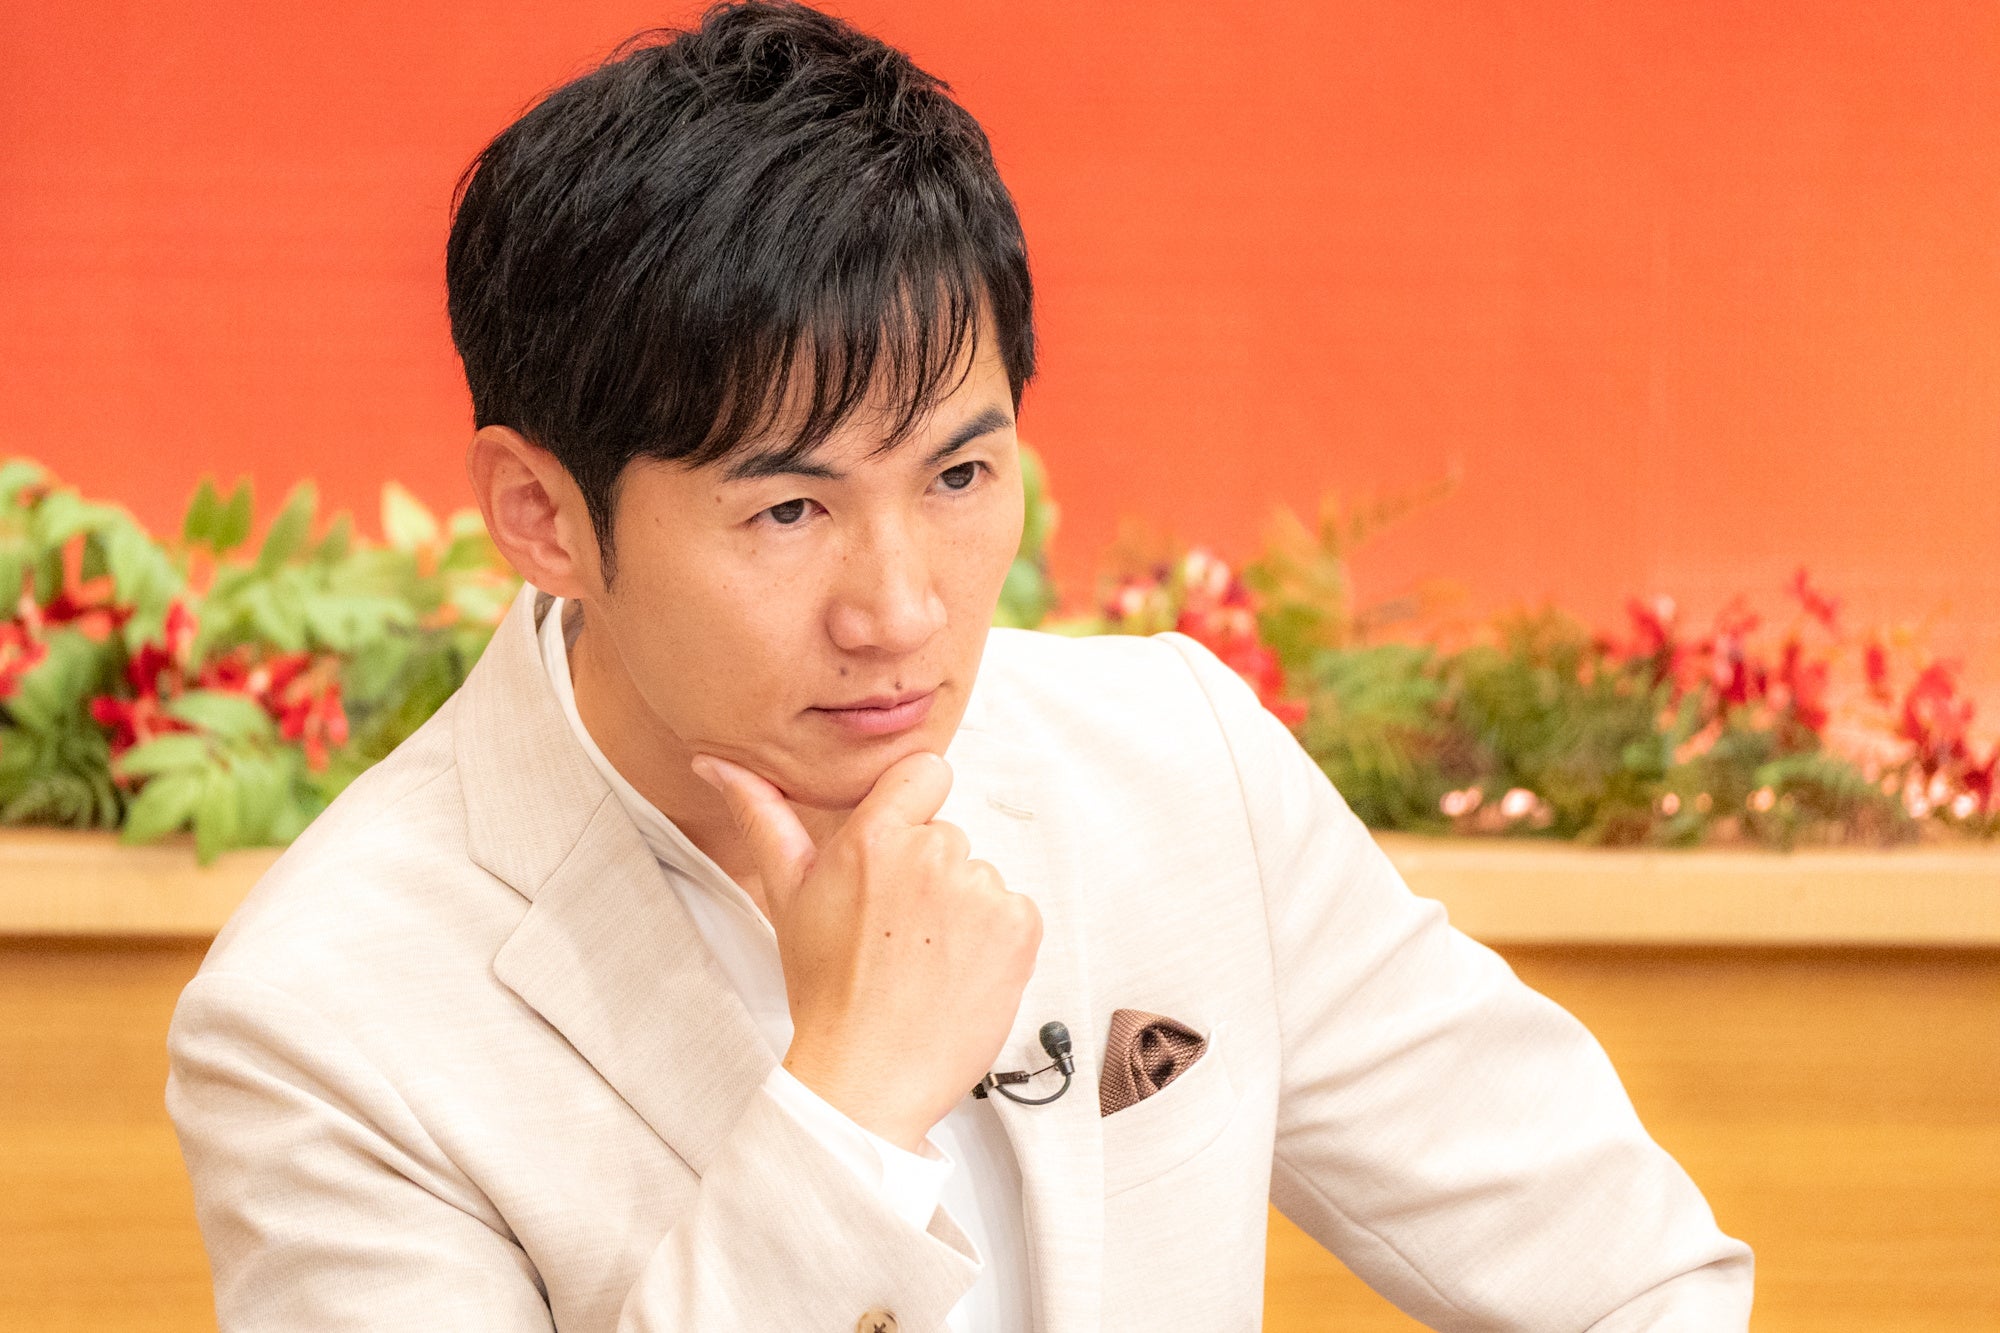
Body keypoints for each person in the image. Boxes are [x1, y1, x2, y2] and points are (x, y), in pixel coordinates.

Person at [165, 3, 1754, 1329]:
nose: (902, 609)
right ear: (542, 516)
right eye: (788, 509)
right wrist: (846, 1108)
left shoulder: (1177, 768)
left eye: (959, 475)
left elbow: (1637, 1279)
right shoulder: (325, 1022)